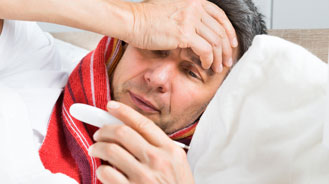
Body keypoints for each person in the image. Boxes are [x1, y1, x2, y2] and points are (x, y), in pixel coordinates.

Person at [0, 0, 266, 183]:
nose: (157, 78)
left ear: (217, 101)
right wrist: (134, 18)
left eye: (191, 72)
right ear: (125, 43)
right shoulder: (37, 65)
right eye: (155, 48)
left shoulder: (223, 173)